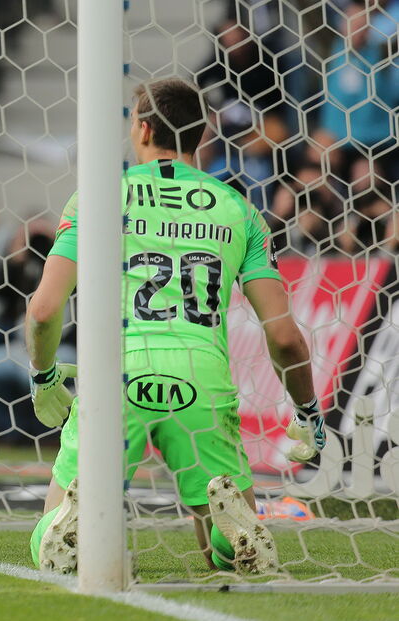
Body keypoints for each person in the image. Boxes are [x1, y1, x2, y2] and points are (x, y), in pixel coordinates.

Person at [24, 78, 326, 575]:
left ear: (142, 129)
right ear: (203, 135)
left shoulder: (99, 198)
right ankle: (232, 532)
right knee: (222, 555)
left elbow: (43, 309)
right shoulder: (241, 211)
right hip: (202, 378)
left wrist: (43, 377)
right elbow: (286, 337)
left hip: (117, 376)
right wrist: (308, 411)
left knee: (51, 541)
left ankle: (73, 522)